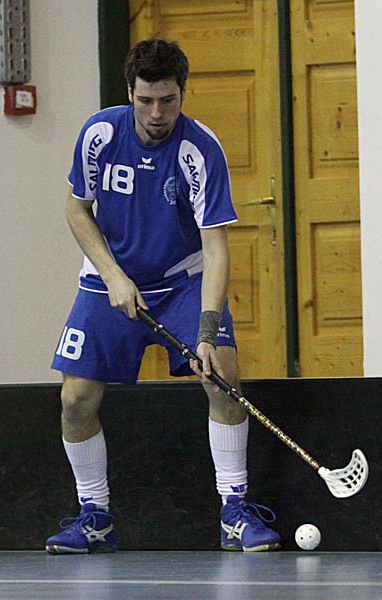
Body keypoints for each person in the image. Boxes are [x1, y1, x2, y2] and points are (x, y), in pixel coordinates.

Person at [46, 37, 281, 554]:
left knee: (222, 377)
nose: (157, 114)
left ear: (183, 93)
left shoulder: (201, 149)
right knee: (74, 400)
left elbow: (215, 249)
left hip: (183, 280)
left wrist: (205, 331)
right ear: (129, 92)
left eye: (168, 100)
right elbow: (76, 209)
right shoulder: (99, 134)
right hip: (108, 279)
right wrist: (113, 276)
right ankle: (94, 516)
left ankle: (235, 511)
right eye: (147, 100)